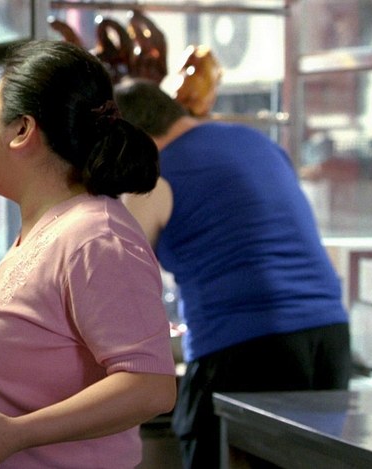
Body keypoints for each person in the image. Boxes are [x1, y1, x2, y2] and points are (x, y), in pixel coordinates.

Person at [0, 40, 177, 469]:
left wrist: (19, 434)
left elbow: (150, 386)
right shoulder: (47, 231)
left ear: (22, 130)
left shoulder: (96, 237)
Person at [114, 78, 352, 469]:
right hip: (329, 338)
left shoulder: (153, 174)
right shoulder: (258, 142)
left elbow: (116, 276)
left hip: (244, 347)